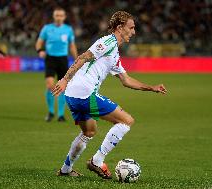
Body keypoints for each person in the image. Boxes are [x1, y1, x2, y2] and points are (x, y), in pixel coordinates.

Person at [52, 11, 167, 178]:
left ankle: (65, 170)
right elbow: (82, 57)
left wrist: (152, 87)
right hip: (85, 93)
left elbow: (126, 80)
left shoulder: (114, 54)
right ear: (120, 28)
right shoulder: (107, 42)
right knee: (126, 121)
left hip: (72, 95)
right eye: (131, 28)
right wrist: (64, 79)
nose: (134, 32)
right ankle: (97, 161)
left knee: (88, 132)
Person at [35, 7, 78, 122]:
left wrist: (77, 60)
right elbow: (39, 42)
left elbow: (72, 45)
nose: (58, 18)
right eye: (56, 15)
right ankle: (50, 112)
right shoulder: (47, 28)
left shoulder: (68, 29)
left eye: (61, 16)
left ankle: (60, 115)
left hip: (63, 59)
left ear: (64, 17)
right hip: (50, 59)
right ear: (54, 17)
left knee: (62, 87)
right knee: (50, 85)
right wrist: (40, 51)